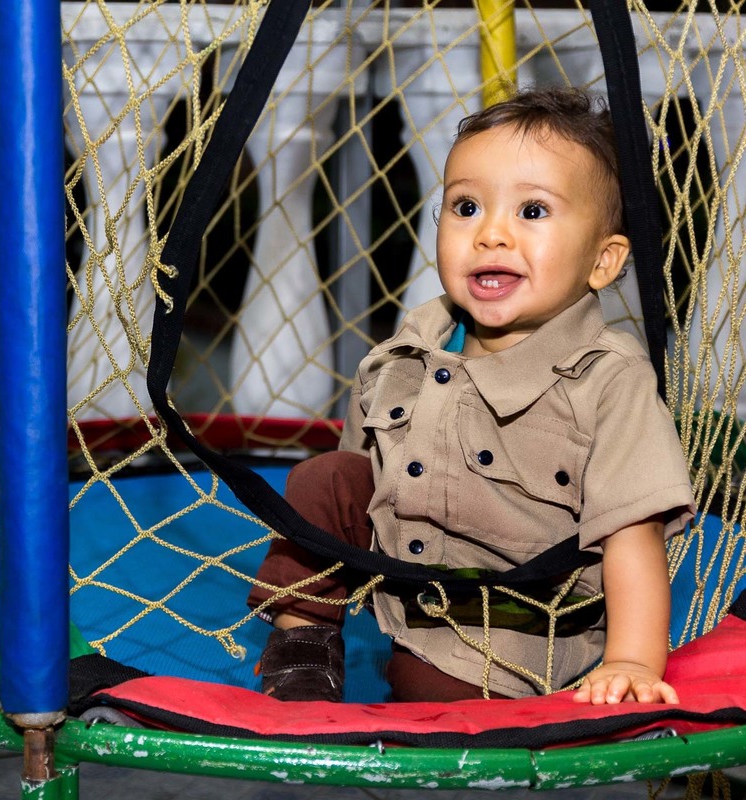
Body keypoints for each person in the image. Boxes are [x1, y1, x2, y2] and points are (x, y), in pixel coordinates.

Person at [247, 86, 695, 705]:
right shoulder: (412, 349)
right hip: (411, 574)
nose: (490, 234)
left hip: (513, 624)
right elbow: (361, 478)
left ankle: (437, 682)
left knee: (432, 689)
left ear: (603, 259)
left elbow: (632, 538)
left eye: (532, 212)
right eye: (465, 207)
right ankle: (304, 653)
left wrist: (632, 660)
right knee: (324, 481)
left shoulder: (608, 378)